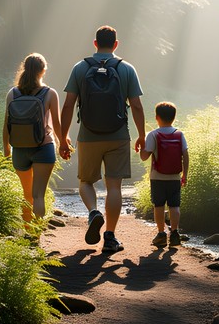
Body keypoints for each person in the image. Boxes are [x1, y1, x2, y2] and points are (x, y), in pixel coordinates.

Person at [59, 25, 145, 253]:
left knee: (86, 182)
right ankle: (110, 237)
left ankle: (93, 213)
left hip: (88, 135)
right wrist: (142, 136)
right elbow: (136, 105)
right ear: (116, 44)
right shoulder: (126, 68)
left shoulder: (80, 67)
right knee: (114, 186)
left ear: (95, 43)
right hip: (118, 135)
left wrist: (62, 136)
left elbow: (68, 105)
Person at [3, 53, 69, 225]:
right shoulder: (49, 93)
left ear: (24, 69)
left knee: (27, 194)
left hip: (19, 149)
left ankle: (27, 231)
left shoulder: (13, 93)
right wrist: (63, 144)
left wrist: (6, 148)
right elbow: (57, 124)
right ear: (43, 70)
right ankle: (36, 233)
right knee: (38, 195)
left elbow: (6, 124)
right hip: (44, 147)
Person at [139, 101, 189, 247]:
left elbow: (144, 157)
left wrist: (142, 146)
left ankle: (161, 234)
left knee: (159, 205)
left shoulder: (153, 134)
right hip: (174, 177)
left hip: (157, 177)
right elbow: (185, 155)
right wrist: (185, 175)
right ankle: (174, 233)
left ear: (157, 117)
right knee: (174, 206)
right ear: (174, 117)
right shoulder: (180, 134)